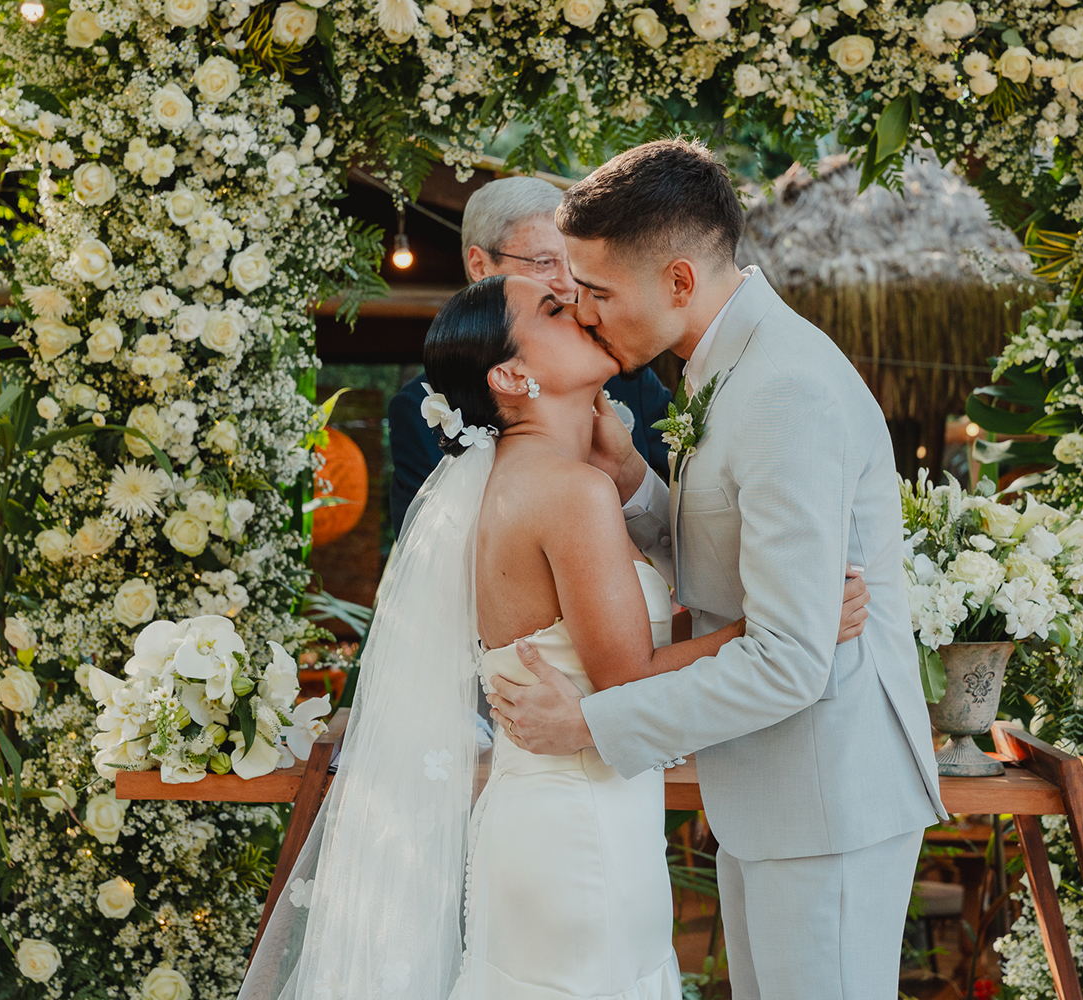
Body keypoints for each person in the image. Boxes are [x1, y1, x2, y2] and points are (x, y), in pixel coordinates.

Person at [238, 274, 871, 1000]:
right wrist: (788, 626)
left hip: (560, 819)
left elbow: (618, 648)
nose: (579, 308)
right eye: (551, 308)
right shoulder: (568, 494)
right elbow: (629, 675)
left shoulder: (528, 481)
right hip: (580, 833)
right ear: (510, 375)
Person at [486, 139, 947, 1000]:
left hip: (826, 797)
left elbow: (788, 660)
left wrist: (591, 721)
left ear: (680, 282)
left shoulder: (783, 390)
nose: (585, 316)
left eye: (598, 294)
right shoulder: (725, 367)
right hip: (776, 796)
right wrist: (635, 485)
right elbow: (726, 549)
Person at [388, 176, 672, 539]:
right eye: (543, 262)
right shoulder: (423, 409)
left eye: (570, 263)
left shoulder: (621, 371)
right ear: (480, 266)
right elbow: (431, 556)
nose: (568, 284)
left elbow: (695, 505)